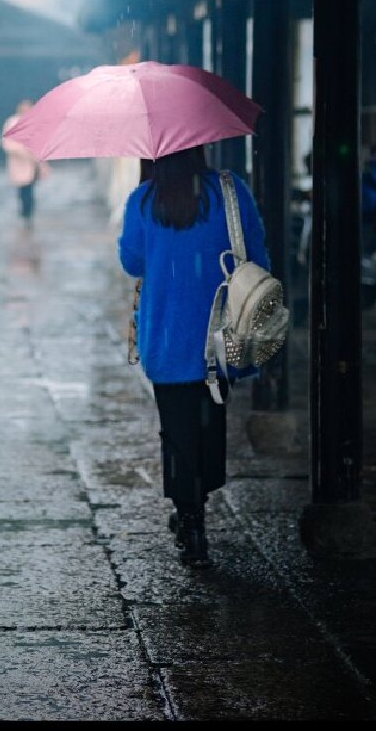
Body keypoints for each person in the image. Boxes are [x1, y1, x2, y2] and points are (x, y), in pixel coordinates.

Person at [117, 144, 270, 568]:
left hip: (167, 338)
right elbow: (256, 252)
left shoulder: (143, 199)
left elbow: (132, 262)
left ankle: (191, 521)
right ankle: (198, 502)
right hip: (219, 333)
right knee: (209, 422)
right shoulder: (230, 191)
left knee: (176, 430)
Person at [0, 100, 45, 222]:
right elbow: (6, 142)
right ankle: (25, 213)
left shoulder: (34, 122)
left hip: (33, 162)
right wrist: (22, 151)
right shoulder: (12, 122)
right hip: (19, 161)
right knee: (23, 188)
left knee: (30, 188)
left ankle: (29, 213)